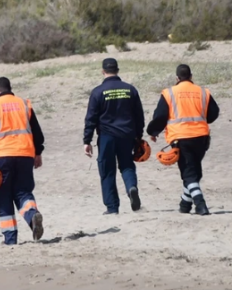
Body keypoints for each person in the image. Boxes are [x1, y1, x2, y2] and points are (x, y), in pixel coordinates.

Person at [0, 77, 46, 245]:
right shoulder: (24, 104)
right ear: (9, 88)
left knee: (4, 196)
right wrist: (38, 152)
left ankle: (10, 238)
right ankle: (31, 215)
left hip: (2, 157)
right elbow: (37, 132)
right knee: (23, 192)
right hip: (25, 155)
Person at [147, 64, 220, 216]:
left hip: (180, 137)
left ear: (177, 78)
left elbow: (160, 116)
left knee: (189, 173)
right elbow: (214, 112)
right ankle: (185, 204)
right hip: (201, 137)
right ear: (191, 76)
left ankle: (200, 204)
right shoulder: (203, 91)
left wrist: (153, 131)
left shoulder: (169, 93)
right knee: (194, 171)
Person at [83, 58, 146, 215]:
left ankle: (112, 207)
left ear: (103, 71)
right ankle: (132, 187)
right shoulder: (130, 89)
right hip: (127, 135)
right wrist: (139, 135)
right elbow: (139, 115)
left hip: (106, 137)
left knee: (107, 170)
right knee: (127, 165)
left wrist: (87, 140)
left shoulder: (98, 92)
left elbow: (91, 117)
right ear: (117, 70)